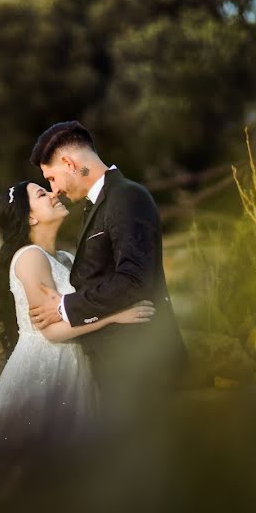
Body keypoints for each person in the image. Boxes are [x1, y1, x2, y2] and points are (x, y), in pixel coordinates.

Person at [0, 180, 154, 483]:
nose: (54, 193)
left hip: (76, 365)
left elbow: (80, 309)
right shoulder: (30, 257)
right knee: (23, 471)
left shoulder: (66, 259)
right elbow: (51, 333)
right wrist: (114, 317)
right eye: (42, 194)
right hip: (44, 369)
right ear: (30, 216)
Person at [27, 121, 188, 428]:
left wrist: (64, 307)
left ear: (69, 163)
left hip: (141, 363)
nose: (54, 190)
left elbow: (133, 280)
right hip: (121, 365)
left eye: (51, 177)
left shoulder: (127, 197)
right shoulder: (97, 206)